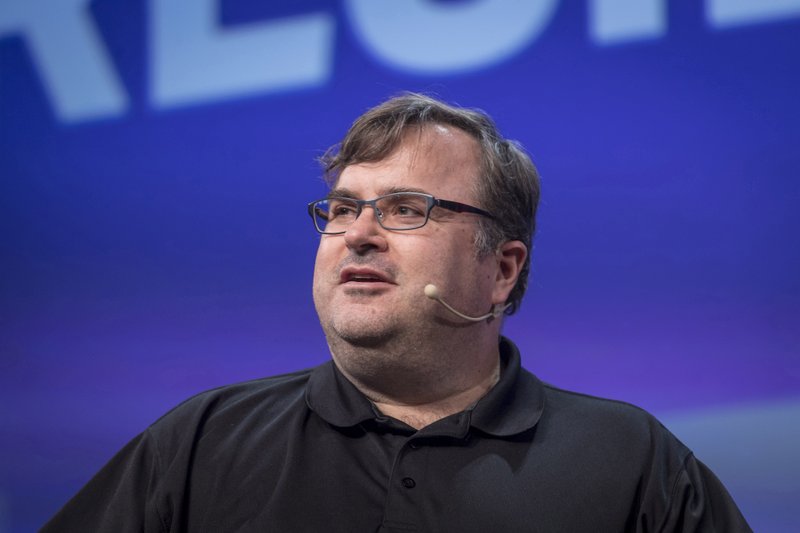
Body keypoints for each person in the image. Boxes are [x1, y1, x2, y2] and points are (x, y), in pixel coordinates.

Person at [42, 94, 752, 532]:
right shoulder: (200, 441)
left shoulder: (632, 460)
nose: (357, 233)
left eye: (406, 209)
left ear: (500, 268)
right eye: (343, 208)